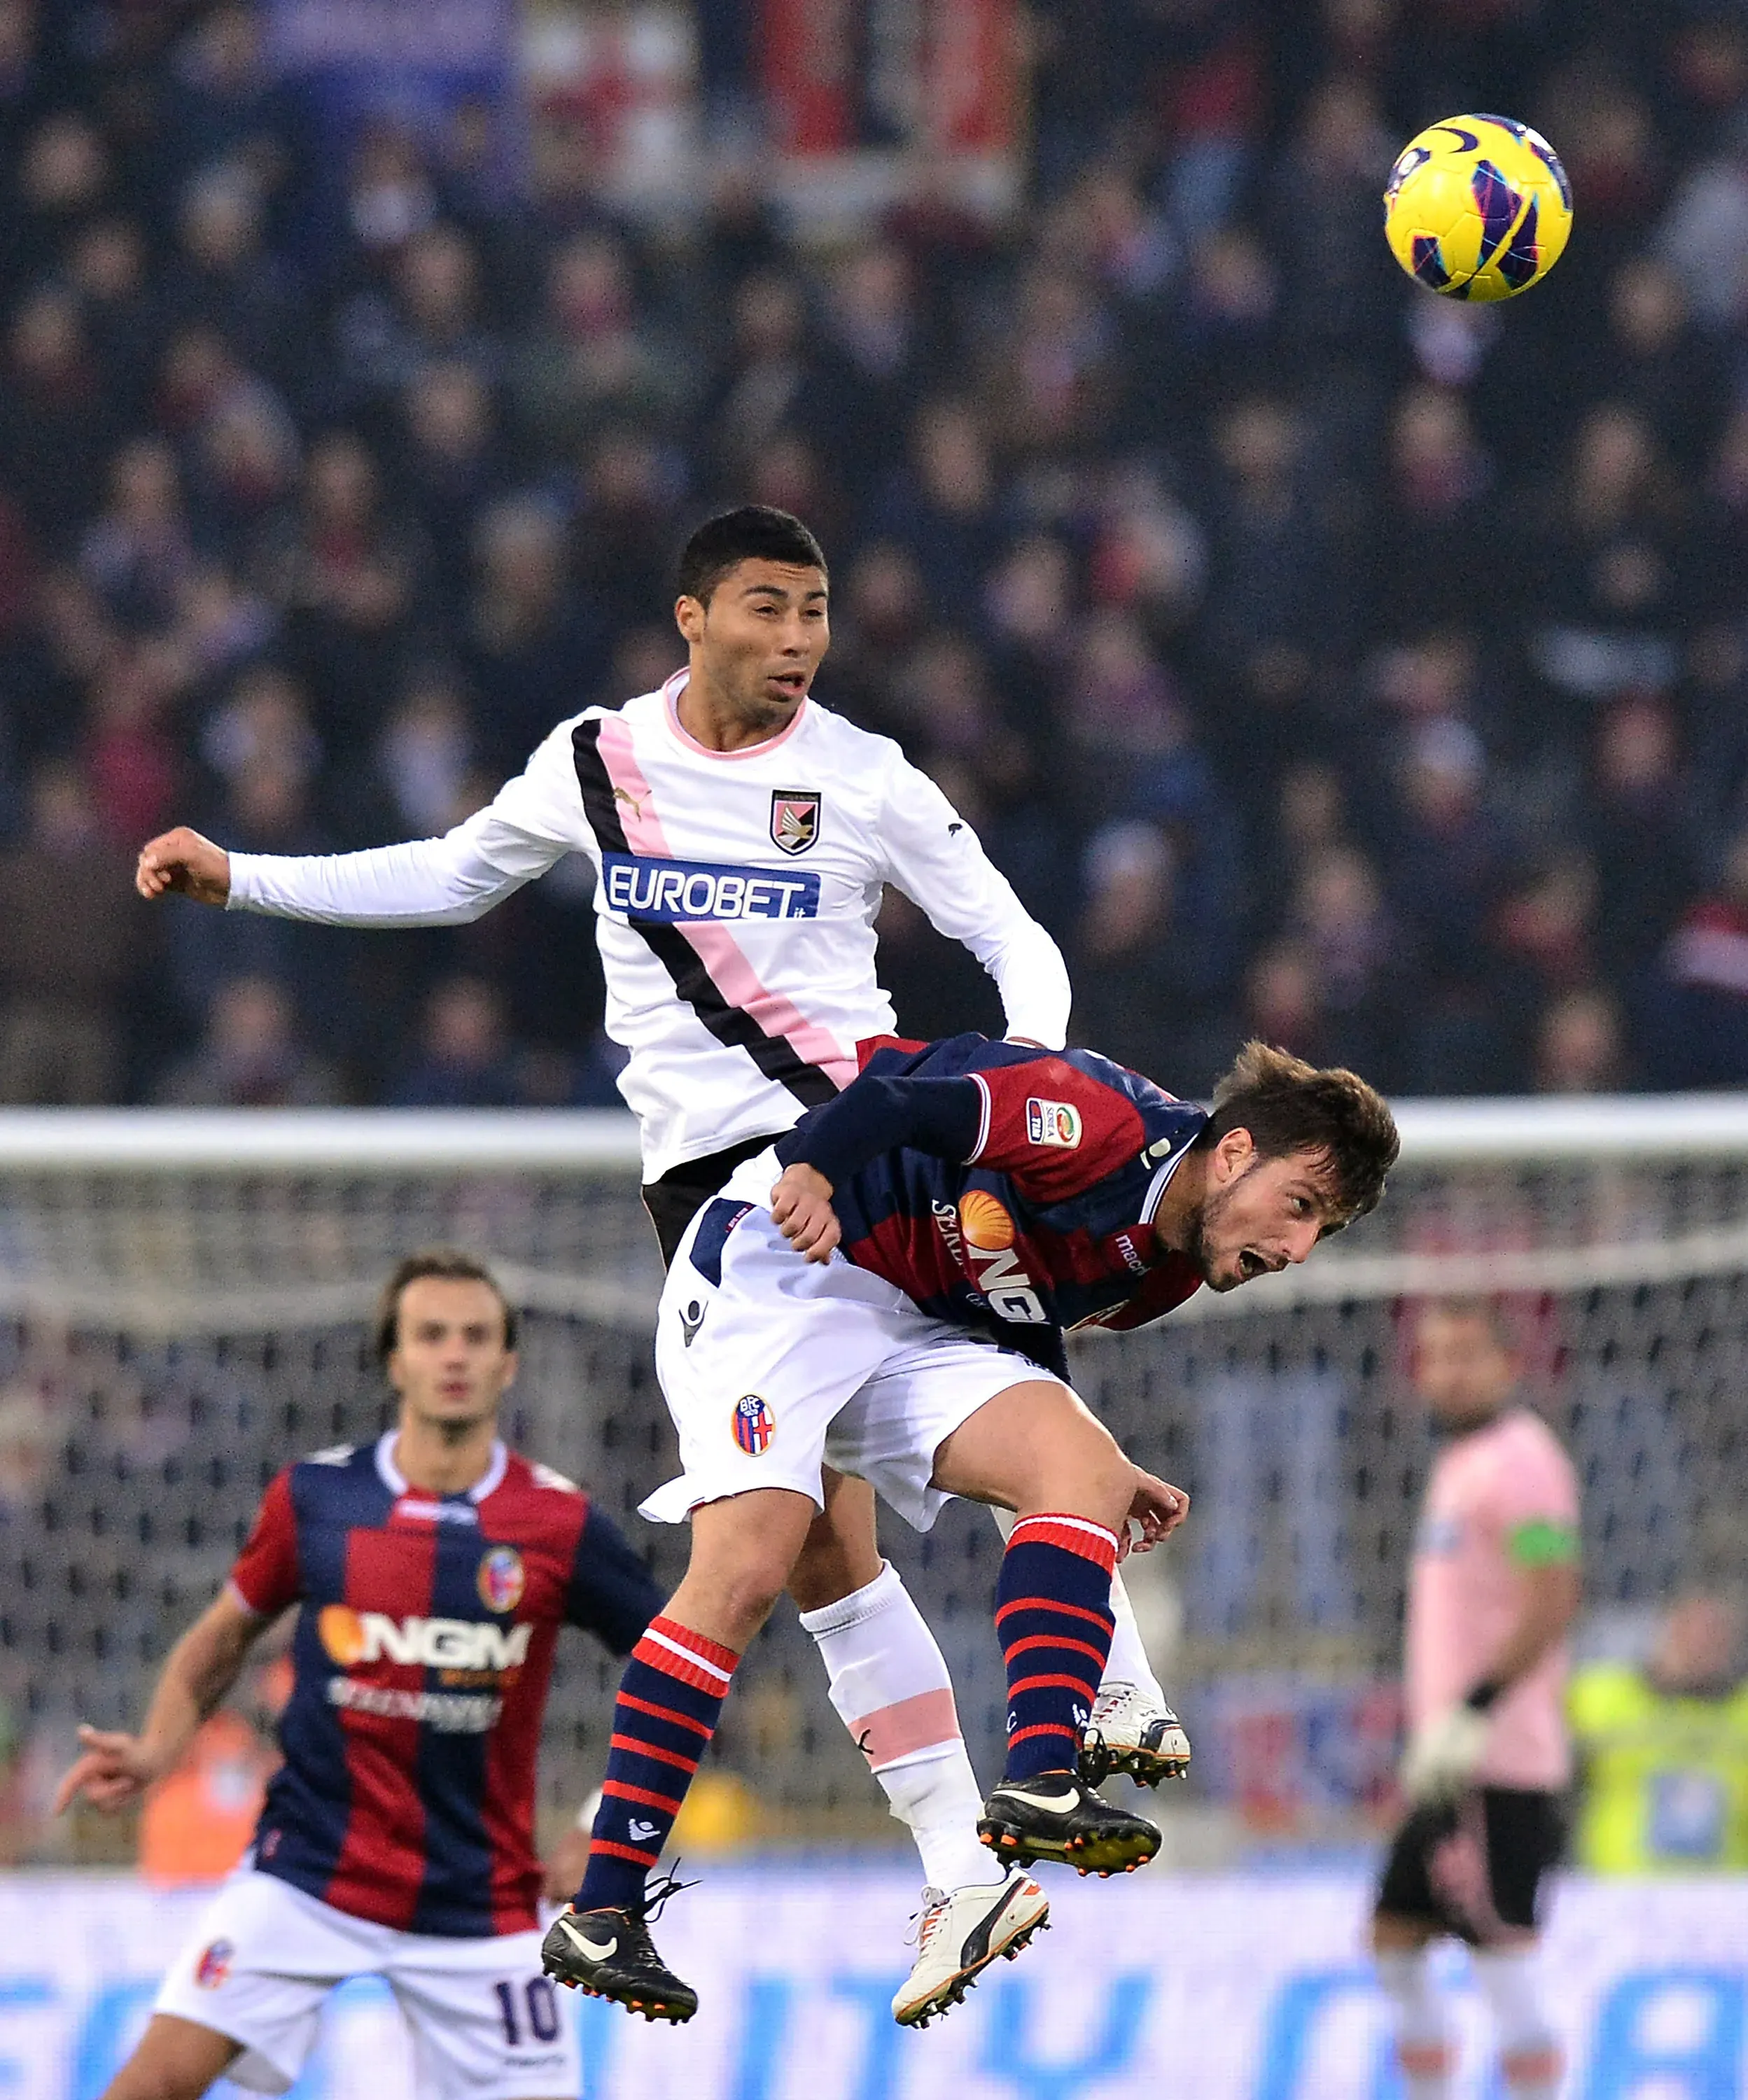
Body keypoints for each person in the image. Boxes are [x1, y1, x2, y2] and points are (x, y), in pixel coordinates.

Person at [134, 503, 1188, 2024]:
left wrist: (1016, 1093)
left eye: (817, 614)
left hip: (860, 1157)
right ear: (691, 618)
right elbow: (447, 875)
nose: (798, 643)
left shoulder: (864, 777)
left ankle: (1096, 1713)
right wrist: (245, 874)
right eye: (768, 610)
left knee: (868, 1476)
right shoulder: (598, 763)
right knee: (825, 1555)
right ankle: (966, 1864)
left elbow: (1014, 937)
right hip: (719, 1199)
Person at [541, 1032, 1399, 2021]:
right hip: (781, 1264)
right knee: (755, 1564)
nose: (1294, 1251)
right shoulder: (1095, 1124)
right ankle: (603, 1908)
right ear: (1238, 1151)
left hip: (910, 1316)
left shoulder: (1165, 1270)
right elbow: (901, 1100)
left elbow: (1016, 1322)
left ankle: (1039, 1779)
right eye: (1300, 1207)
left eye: (1320, 1234)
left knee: (1074, 1469)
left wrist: (1086, 1467)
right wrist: (813, 1169)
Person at [55, 1249, 664, 2100]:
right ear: (395, 1360)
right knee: (150, 2083)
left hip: (479, 1902)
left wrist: (609, 1828)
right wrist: (160, 1746)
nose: (454, 1355)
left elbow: (681, 1668)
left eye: (475, 1337)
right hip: (305, 1876)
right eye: (432, 1335)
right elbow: (222, 1636)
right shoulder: (317, 1496)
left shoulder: (556, 1521)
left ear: (507, 1363)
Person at [1371, 1300, 1582, 2100]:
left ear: (1509, 1364)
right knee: (1394, 1937)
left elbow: (1553, 1595)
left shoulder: (1522, 1462)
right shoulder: (1460, 1463)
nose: (1446, 1374)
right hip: (1449, 1764)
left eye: (1466, 1355)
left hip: (1497, 1760)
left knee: (1501, 1951)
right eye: (1433, 1357)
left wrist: (1475, 1708)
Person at [1567, 1588, 1748, 1872]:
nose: (1699, 1648)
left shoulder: (1742, 1713)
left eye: (1713, 1637)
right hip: (1617, 1883)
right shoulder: (1602, 1695)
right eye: (1688, 1633)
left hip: (1724, 1890)